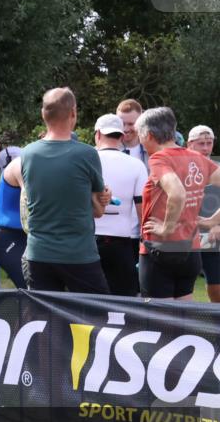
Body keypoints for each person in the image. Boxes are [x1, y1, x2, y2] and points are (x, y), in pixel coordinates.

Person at [20, 88, 111, 293]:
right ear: (73, 113)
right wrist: (105, 196)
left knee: (43, 313)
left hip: (38, 254)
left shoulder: (28, 154)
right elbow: (98, 211)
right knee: (95, 311)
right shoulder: (86, 154)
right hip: (79, 255)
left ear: (43, 114)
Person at [137, 108, 220, 300]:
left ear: (148, 135)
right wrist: (212, 221)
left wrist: (166, 227)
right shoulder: (197, 158)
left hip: (160, 248)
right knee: (183, 312)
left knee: (157, 315)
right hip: (190, 250)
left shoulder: (159, 158)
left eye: (139, 135)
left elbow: (177, 193)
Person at [92, 114, 148, 296]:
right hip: (121, 243)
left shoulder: (84, 161)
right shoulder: (137, 165)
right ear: (122, 136)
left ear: (97, 134)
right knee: (124, 302)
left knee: (85, 300)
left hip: (87, 241)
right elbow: (142, 210)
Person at [188, 125, 220, 302]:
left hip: (213, 237)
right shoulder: (180, 169)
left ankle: (213, 317)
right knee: (183, 285)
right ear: (190, 144)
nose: (206, 148)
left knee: (216, 286)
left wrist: (216, 223)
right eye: (201, 143)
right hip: (184, 234)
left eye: (209, 143)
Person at [0, 154, 28, 288]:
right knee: (29, 288)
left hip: (24, 237)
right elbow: (29, 198)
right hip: (8, 237)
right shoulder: (19, 165)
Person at [117, 98, 149, 169]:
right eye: (122, 123)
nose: (125, 129)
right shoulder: (105, 151)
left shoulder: (152, 150)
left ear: (140, 123)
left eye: (131, 124)